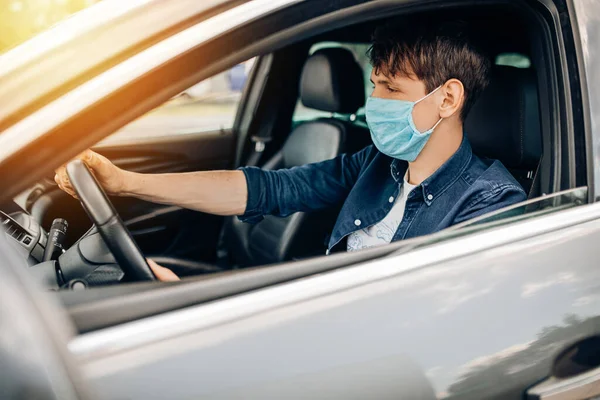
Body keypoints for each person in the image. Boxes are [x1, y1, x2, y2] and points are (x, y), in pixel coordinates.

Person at [55, 21, 526, 281]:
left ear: (447, 98)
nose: (374, 103)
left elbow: (422, 317)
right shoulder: (378, 164)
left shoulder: (491, 203)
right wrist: (127, 183)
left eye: (392, 90)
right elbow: (268, 189)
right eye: (374, 85)